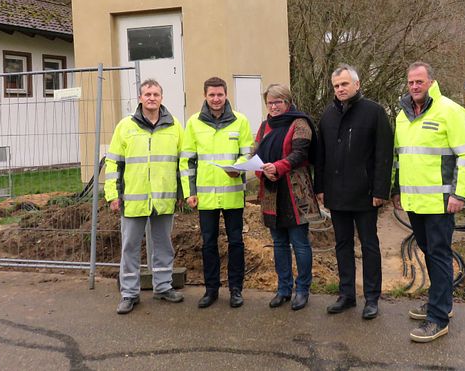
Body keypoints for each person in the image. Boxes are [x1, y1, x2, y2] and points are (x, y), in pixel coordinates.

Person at [391, 61, 465, 342]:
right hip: (415, 202)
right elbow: (400, 157)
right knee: (429, 253)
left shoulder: (450, 111)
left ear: (431, 82)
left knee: (439, 255)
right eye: (410, 82)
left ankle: (438, 318)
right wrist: (397, 191)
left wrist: (458, 194)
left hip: (441, 202)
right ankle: (440, 303)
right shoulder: (403, 115)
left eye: (420, 81)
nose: (415, 86)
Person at [314, 64, 393, 320]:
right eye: (336, 85)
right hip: (336, 194)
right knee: (342, 245)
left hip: (366, 193)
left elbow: (384, 155)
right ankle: (346, 295)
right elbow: (321, 156)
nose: (340, 89)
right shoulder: (327, 115)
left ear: (357, 85)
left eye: (345, 84)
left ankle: (372, 298)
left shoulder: (374, 113)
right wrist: (320, 188)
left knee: (369, 245)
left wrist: (381, 189)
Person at [105, 79, 185, 314]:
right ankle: (129, 294)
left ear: (162, 97)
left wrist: (182, 193)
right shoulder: (125, 126)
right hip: (133, 199)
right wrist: (112, 194)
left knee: (163, 245)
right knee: (130, 247)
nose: (152, 98)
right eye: (147, 94)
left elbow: (182, 163)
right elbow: (113, 163)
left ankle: (163, 286)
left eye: (156, 94)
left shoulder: (174, 126)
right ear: (140, 98)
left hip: (163, 198)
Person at [180, 76, 254, 309]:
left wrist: (239, 167)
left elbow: (248, 154)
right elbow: (187, 161)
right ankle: (211, 290)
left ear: (226, 95)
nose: (216, 99)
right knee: (208, 244)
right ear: (205, 96)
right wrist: (188, 192)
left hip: (233, 194)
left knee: (236, 242)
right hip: (205, 197)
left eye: (220, 95)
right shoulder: (193, 123)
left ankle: (236, 290)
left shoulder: (240, 121)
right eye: (211, 95)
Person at [254, 83, 321, 311]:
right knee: (279, 243)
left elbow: (299, 153)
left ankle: (302, 290)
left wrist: (278, 167)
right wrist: (258, 169)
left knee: (300, 244)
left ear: (287, 102)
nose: (273, 106)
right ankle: (283, 289)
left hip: (296, 192)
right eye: (270, 102)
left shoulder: (300, 123)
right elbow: (256, 154)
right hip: (272, 192)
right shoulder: (264, 127)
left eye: (278, 102)